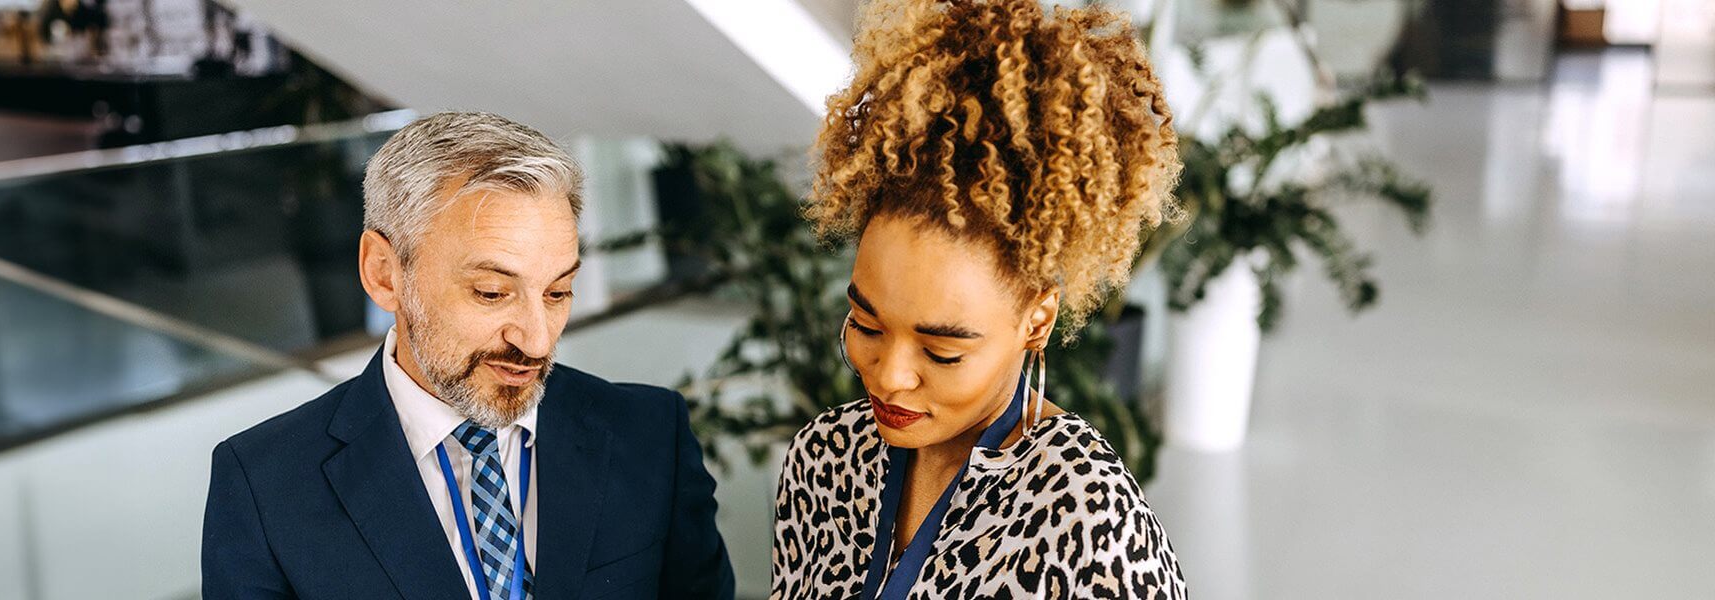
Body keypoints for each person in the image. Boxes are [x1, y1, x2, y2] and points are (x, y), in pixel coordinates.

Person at [203, 112, 735, 600]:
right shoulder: (263, 487)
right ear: (384, 274)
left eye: (557, 292)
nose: (537, 341)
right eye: (491, 292)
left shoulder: (651, 436)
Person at [770, 0, 1188, 597]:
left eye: (942, 351)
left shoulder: (1088, 523)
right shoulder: (822, 462)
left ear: (1037, 320)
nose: (889, 376)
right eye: (866, 323)